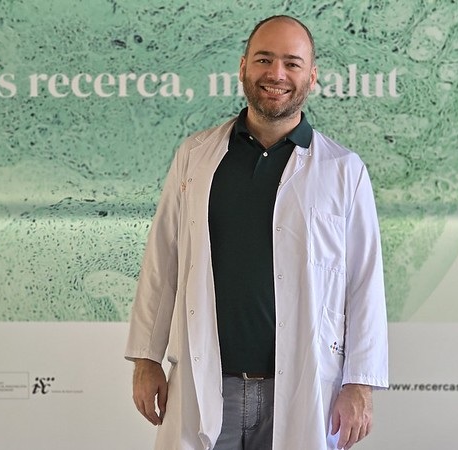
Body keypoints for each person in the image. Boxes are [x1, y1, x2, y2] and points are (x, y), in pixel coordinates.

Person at [125, 15, 388, 450]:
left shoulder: (344, 170)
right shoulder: (195, 157)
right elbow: (162, 260)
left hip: (301, 387)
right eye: (264, 59)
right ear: (243, 67)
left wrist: (360, 382)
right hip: (208, 382)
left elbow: (364, 282)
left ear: (312, 76)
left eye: (292, 63)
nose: (276, 74)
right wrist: (146, 358)